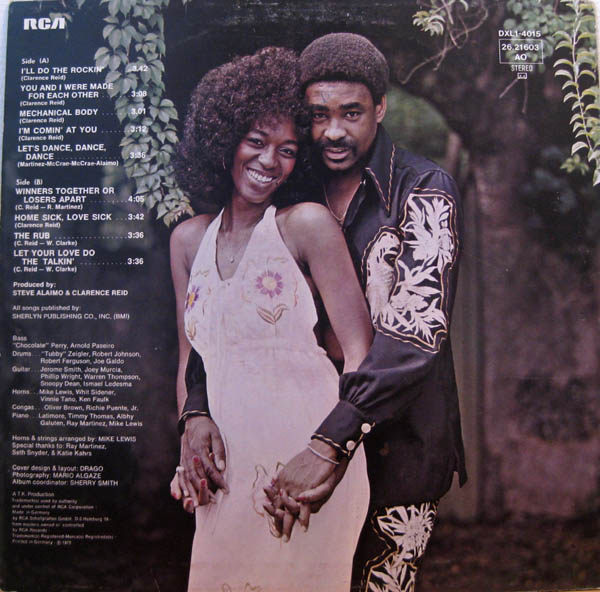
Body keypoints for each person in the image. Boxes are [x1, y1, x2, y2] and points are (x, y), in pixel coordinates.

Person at [180, 33, 467, 592]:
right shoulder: (290, 188)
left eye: (351, 113)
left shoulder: (423, 190)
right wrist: (196, 413)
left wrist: (329, 445)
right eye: (318, 115)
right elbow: (225, 319)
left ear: (380, 108)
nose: (333, 131)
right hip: (287, 451)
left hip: (396, 451)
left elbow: (414, 334)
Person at [169, 46, 371, 592]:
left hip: (305, 459)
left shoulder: (306, 226)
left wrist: (328, 454)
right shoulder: (188, 241)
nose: (269, 161)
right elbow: (191, 358)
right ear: (224, 139)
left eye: (287, 150)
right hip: (226, 468)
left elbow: (361, 354)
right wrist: (192, 425)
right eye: (256, 141)